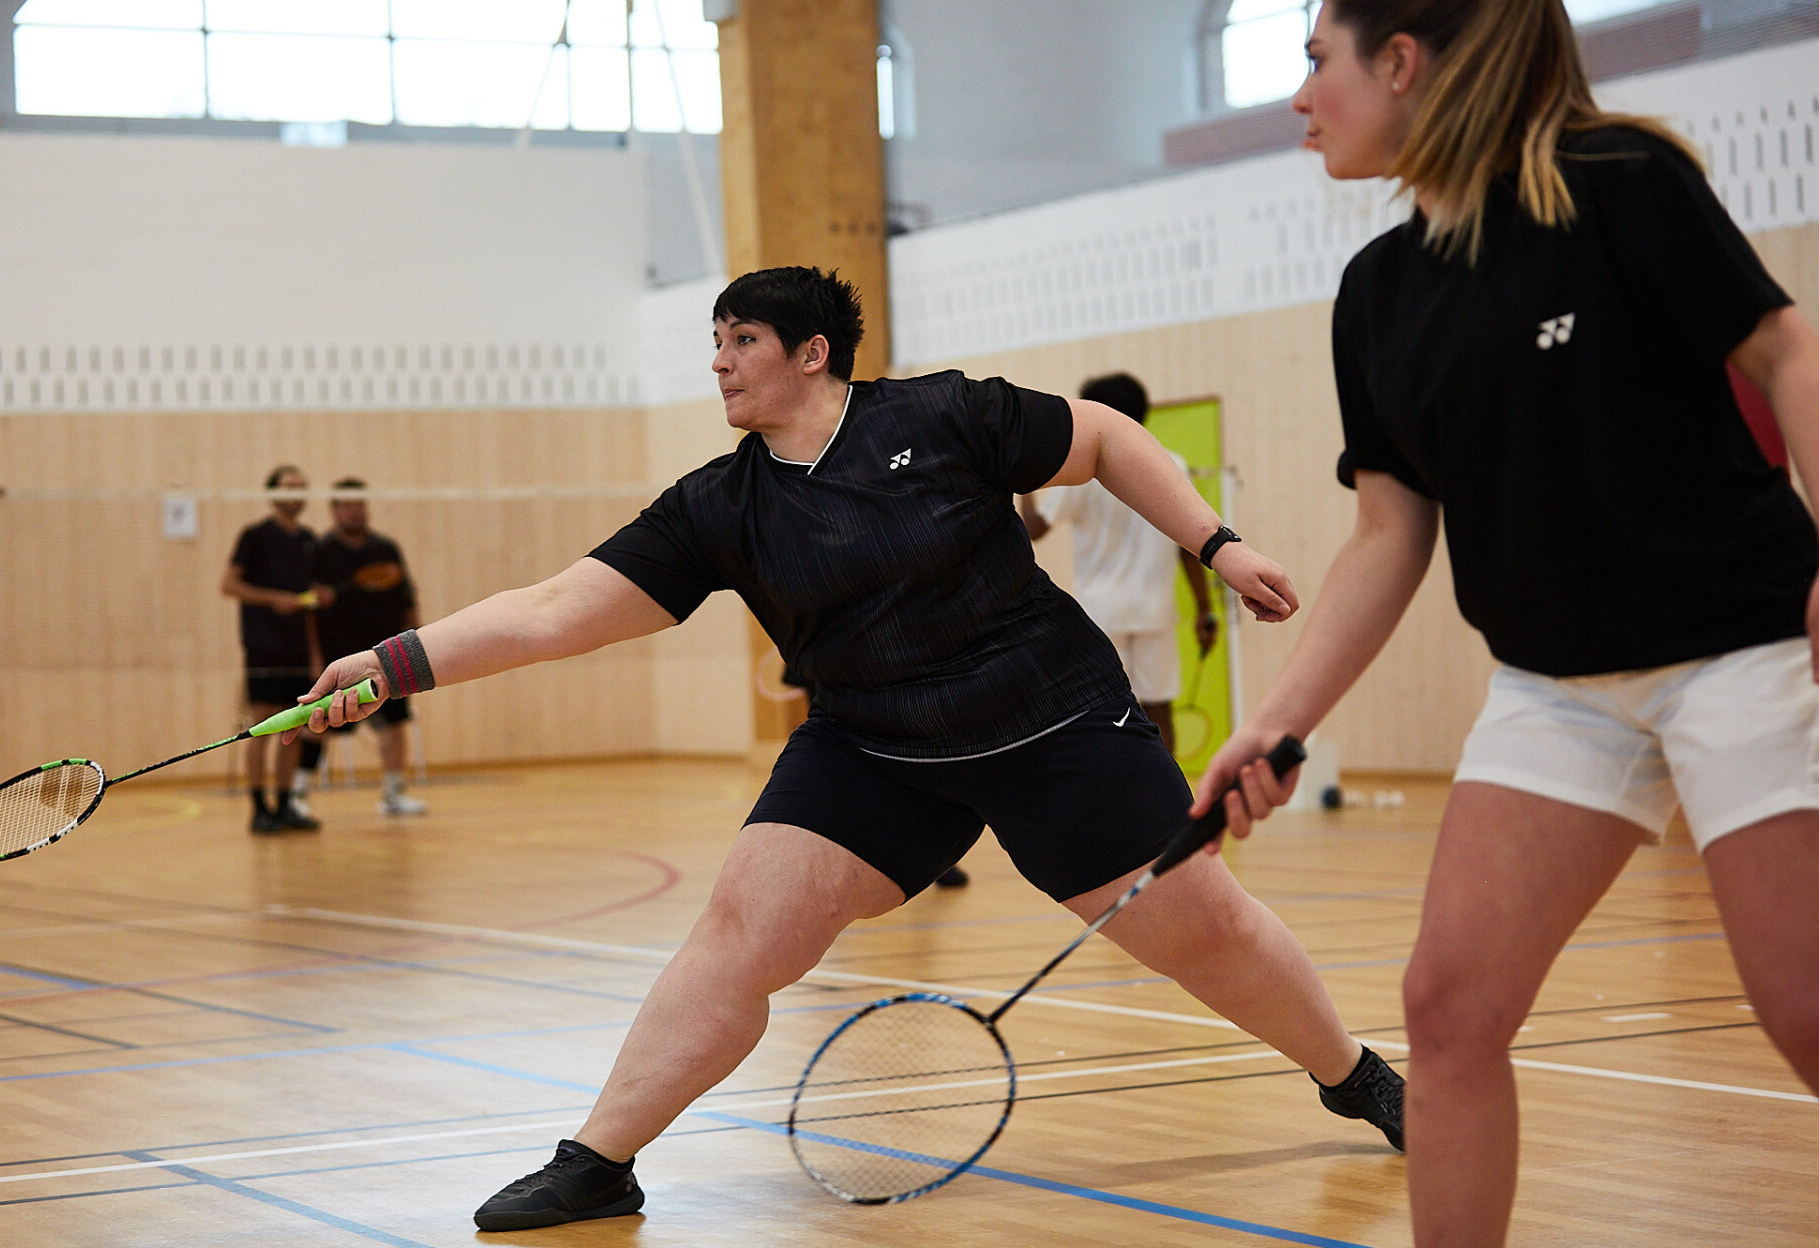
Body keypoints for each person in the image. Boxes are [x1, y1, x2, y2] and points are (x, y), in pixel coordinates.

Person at [295, 266, 1406, 1232]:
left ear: (812, 352)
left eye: (743, 339)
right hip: (873, 745)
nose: (719, 363)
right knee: (742, 926)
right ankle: (599, 1159)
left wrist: (1216, 543)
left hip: (1051, 721)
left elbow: (1105, 436)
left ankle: (1353, 1075)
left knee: (1203, 929)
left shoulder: (947, 413)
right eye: (715, 341)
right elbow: (552, 609)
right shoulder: (718, 506)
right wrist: (394, 663)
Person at [1193, 0, 1819, 1245]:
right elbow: (1390, 532)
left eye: (1317, 61)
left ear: (1402, 62)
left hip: (1740, 648)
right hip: (1554, 689)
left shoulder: (1619, 182)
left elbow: (1788, 351)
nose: (1300, 98)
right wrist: (1279, 720)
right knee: (1450, 1008)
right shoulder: (1377, 292)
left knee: (1806, 1009)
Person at [1019, 372, 1220, 752]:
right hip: (1155, 611)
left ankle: (1118, 789)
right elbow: (1190, 545)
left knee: (1108, 714)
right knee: (1160, 712)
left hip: (1102, 614)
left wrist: (1023, 482)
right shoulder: (1173, 464)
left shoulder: (1080, 472)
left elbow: (1032, 529)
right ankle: (1166, 791)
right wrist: (1204, 609)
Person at [221, 465, 331, 834]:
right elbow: (229, 585)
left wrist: (315, 653)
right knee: (262, 728)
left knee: (294, 728)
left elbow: (309, 602)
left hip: (298, 651)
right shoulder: (254, 536)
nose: (295, 493)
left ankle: (285, 806)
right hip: (263, 648)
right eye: (288, 487)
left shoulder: (309, 541)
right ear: (273, 493)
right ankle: (259, 809)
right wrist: (274, 600)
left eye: (301, 487)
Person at [314, 477, 428, 817]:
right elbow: (307, 609)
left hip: (387, 653)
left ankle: (393, 794)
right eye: (347, 505)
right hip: (336, 656)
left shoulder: (385, 548)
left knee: (394, 724)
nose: (355, 511)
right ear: (334, 509)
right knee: (317, 723)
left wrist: (417, 640)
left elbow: (407, 598)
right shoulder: (320, 552)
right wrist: (314, 656)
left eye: (360, 503)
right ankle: (299, 794)